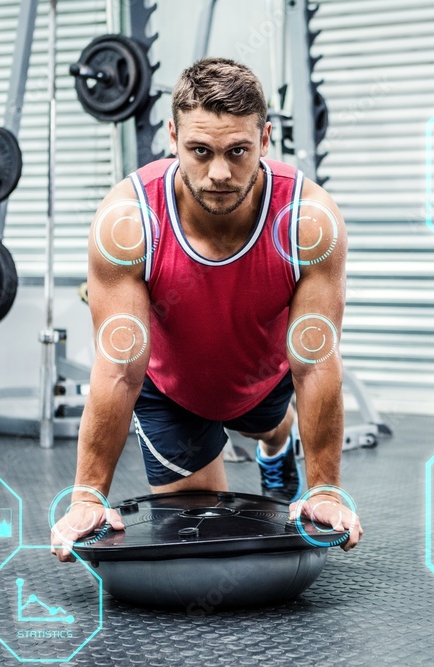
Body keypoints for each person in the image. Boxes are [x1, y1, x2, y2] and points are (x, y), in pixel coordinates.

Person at [50, 58, 362, 562]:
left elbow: (315, 363)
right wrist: (88, 496)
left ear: (264, 140)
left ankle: (276, 439)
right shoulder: (127, 222)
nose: (219, 173)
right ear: (172, 137)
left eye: (238, 151)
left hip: (265, 376)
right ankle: (264, 434)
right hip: (173, 394)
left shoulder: (309, 221)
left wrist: (324, 489)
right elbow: (120, 370)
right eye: (200, 151)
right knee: (204, 543)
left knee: (271, 421)